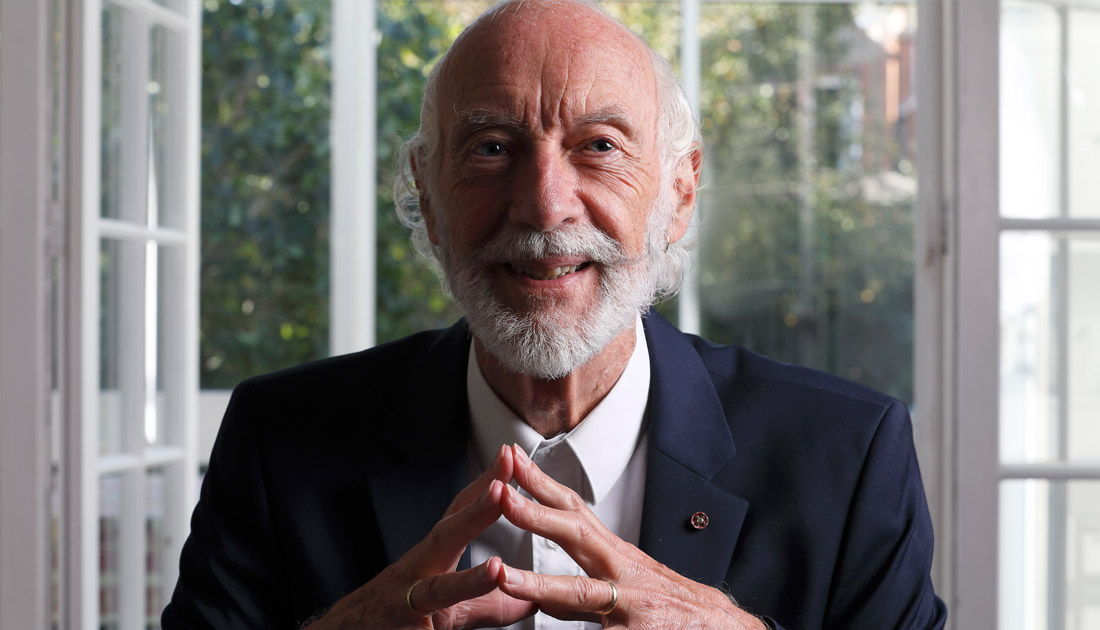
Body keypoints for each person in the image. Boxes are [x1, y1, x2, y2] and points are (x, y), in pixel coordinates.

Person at [163, 1, 947, 628]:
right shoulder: (279, 443)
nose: (543, 203)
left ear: (678, 193)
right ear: (428, 197)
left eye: (599, 146)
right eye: (490, 148)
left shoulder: (848, 457)